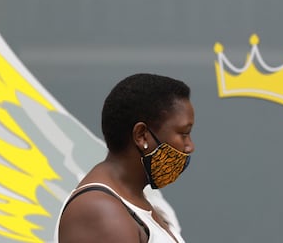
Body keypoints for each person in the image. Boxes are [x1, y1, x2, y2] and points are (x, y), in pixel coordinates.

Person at [57, 73, 195, 243]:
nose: (190, 146)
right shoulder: (100, 210)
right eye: (184, 133)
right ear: (142, 136)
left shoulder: (137, 201)